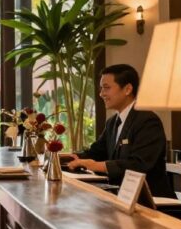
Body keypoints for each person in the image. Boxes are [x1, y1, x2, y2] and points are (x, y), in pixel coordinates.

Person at [65, 64, 173, 198]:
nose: (101, 94)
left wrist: (94, 165)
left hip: (152, 201)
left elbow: (138, 165)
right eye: (101, 88)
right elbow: (96, 152)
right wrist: (67, 158)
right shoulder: (112, 122)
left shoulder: (147, 120)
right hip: (121, 198)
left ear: (127, 89)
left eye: (106, 88)